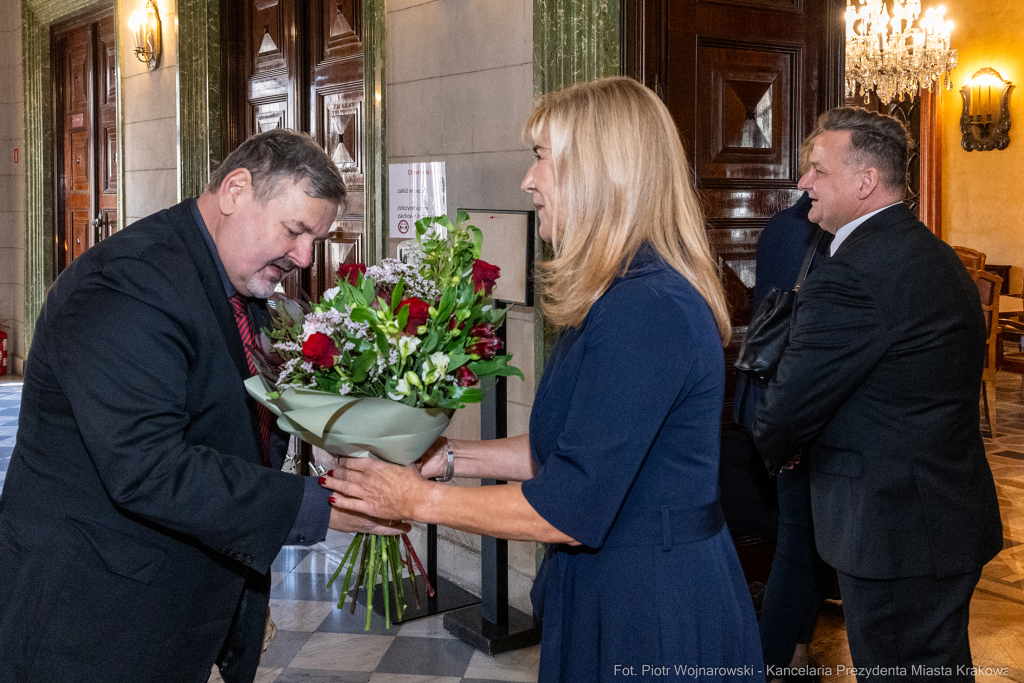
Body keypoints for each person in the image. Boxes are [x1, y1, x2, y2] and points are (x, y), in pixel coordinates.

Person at [322, 76, 762, 682]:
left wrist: (417, 500)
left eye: (540, 158)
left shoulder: (647, 308)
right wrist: (447, 458)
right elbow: (564, 450)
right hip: (613, 586)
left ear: (600, 171)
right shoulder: (617, 296)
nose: (528, 181)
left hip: (653, 608)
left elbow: (569, 507)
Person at [0, 129, 406, 683]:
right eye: (295, 230)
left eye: (316, 238)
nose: (305, 256)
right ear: (236, 190)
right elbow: (149, 468)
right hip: (91, 616)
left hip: (169, 603)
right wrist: (317, 507)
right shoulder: (127, 284)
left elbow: (233, 434)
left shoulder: (236, 282)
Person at [752, 107, 1002, 682]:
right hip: (943, 517)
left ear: (865, 182)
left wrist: (782, 446)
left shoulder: (853, 272)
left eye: (817, 169)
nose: (802, 182)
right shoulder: (934, 254)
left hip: (893, 533)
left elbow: (790, 403)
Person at [732, 139, 832, 683]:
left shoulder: (780, 226)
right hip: (789, 406)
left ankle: (792, 649)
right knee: (800, 541)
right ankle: (769, 662)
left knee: (803, 537)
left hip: (766, 397)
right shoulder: (813, 233)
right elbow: (806, 337)